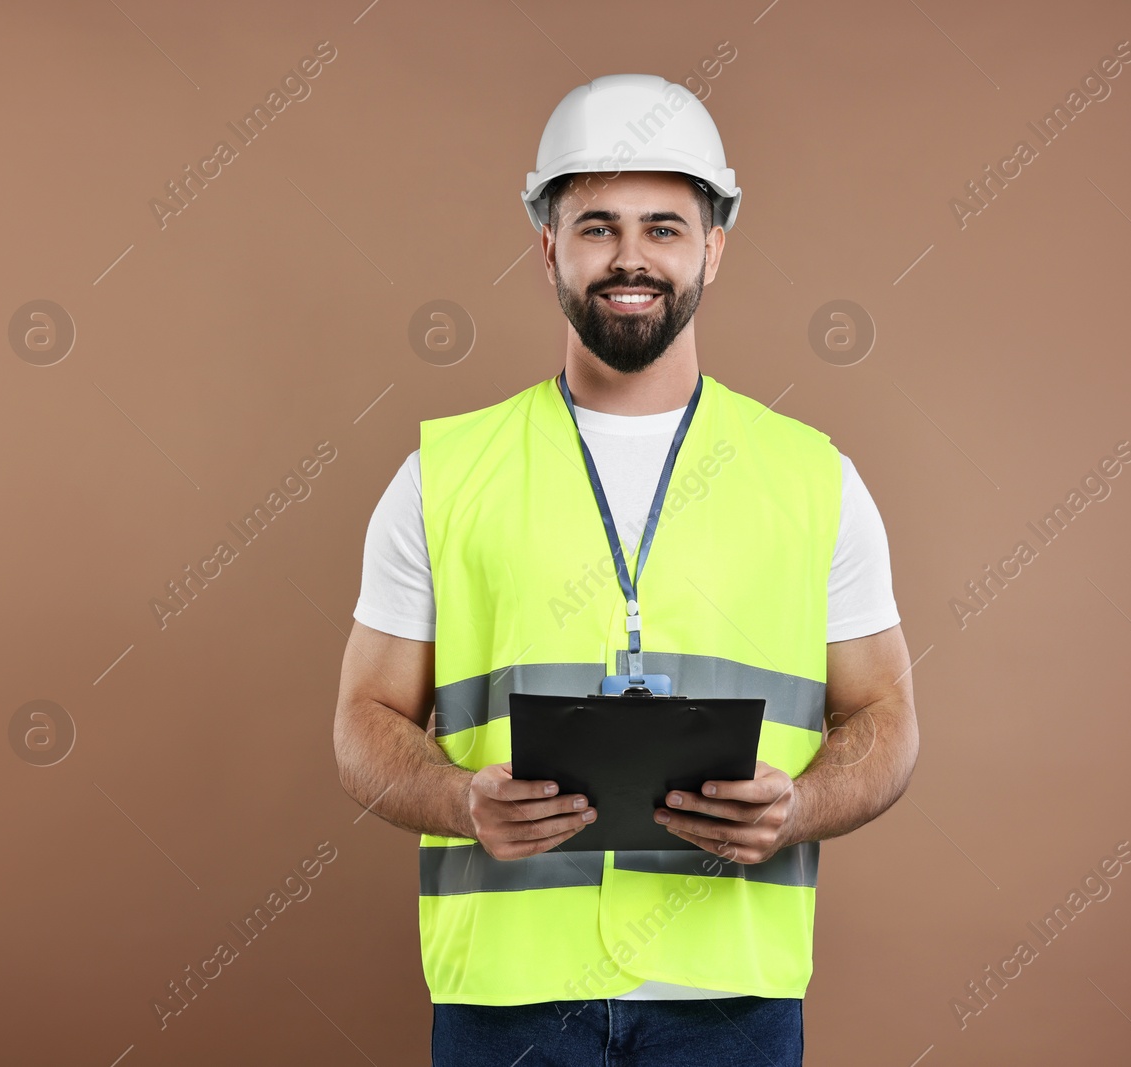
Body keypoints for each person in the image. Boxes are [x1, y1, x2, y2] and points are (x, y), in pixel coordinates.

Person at [332, 73, 920, 1066]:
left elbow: (888, 720)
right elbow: (362, 723)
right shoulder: (441, 475)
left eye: (664, 226)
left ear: (713, 249)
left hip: (729, 996)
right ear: (548, 247)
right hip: (506, 998)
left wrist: (799, 807)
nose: (630, 256)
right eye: (596, 225)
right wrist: (460, 800)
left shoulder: (815, 478)